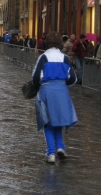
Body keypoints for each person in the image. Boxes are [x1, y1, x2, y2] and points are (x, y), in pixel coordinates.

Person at [32, 31, 77, 163]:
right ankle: (61, 147)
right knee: (58, 121)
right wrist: (63, 84)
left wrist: (38, 85)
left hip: (47, 89)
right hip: (62, 90)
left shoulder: (43, 57)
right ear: (60, 43)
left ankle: (51, 152)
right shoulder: (65, 58)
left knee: (47, 121)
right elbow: (73, 78)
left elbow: (35, 77)